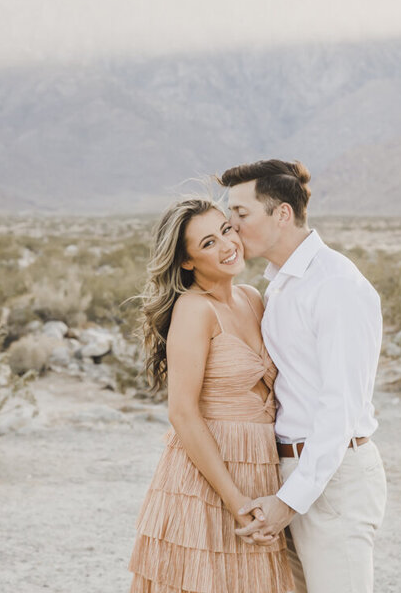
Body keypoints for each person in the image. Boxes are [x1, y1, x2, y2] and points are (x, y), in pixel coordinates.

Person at [219, 160, 386, 593]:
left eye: (241, 214)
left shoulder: (336, 285)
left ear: (282, 214)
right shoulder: (281, 284)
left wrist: (290, 500)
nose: (231, 227)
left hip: (333, 475)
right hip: (290, 470)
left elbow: (340, 407)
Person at [128, 197, 295, 593]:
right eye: (207, 243)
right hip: (205, 480)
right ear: (186, 261)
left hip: (260, 468)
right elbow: (183, 414)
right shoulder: (194, 310)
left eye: (225, 230)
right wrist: (236, 502)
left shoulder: (253, 297)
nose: (226, 245)